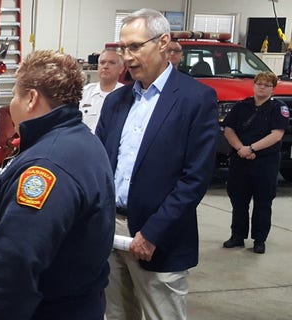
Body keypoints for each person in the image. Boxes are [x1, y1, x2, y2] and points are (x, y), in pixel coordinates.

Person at [0, 50, 115, 319]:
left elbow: (17, 262)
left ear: (31, 98)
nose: (11, 106)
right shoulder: (82, 141)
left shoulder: (46, 166)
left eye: (15, 96)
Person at [95, 8, 218, 320]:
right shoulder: (117, 101)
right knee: (117, 314)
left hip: (160, 238)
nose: (127, 56)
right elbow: (99, 165)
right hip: (111, 232)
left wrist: (152, 233)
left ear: (164, 43)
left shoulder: (195, 99)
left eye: (135, 46)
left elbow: (195, 178)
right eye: (123, 48)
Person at [221, 71, 290, 254]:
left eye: (267, 85)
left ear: (273, 89)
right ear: (254, 85)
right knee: (238, 200)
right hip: (240, 160)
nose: (262, 87)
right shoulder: (242, 106)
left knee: (263, 202)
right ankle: (237, 236)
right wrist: (240, 149)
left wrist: (251, 149)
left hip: (265, 162)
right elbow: (228, 129)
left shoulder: (278, 108)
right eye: (259, 83)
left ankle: (259, 240)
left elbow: (276, 135)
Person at [79, 48, 125, 132]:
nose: (105, 66)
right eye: (102, 63)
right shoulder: (85, 93)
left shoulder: (127, 95)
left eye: (111, 63)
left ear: (121, 69)